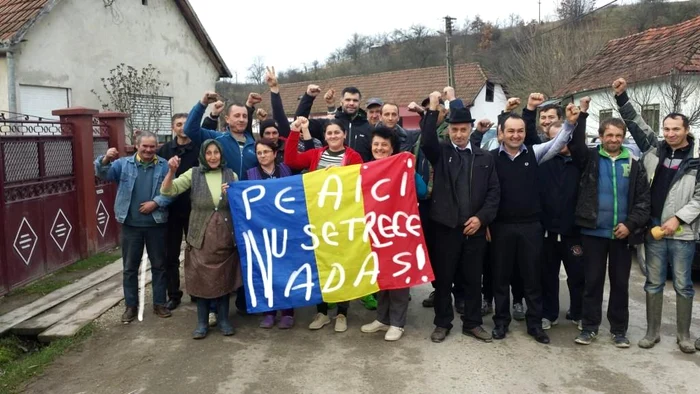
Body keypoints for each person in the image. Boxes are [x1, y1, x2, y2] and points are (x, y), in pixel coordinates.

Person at [613, 78, 699, 353]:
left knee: (684, 285)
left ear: (687, 130)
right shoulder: (654, 149)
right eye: (667, 129)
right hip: (654, 231)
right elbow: (636, 122)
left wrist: (679, 219)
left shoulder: (697, 159)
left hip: (682, 233)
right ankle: (652, 332)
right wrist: (622, 97)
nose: (670, 133)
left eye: (676, 129)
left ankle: (684, 335)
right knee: (653, 282)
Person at [486, 96, 580, 344]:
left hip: (530, 227)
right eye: (511, 131)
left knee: (532, 278)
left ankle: (535, 324)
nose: (516, 135)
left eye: (520, 131)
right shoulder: (491, 158)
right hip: (501, 226)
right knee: (500, 278)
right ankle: (501, 323)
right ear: (502, 134)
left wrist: (569, 125)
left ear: (525, 133)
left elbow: (558, 141)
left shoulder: (536, 154)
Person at [419, 91, 500, 343]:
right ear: (449, 130)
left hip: (473, 228)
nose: (459, 134)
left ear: (470, 129)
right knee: (443, 280)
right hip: (446, 228)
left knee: (473, 280)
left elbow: (493, 192)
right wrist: (433, 109)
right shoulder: (441, 153)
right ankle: (442, 323)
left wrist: (481, 219)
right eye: (454, 130)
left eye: (463, 130)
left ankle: (473, 323)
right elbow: (427, 140)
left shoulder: (484, 157)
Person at [572, 108, 651, 348]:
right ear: (601, 136)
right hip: (593, 232)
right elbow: (575, 145)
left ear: (624, 137)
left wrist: (630, 224)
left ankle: (618, 330)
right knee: (592, 282)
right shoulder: (590, 159)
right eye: (609, 135)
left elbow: (643, 201)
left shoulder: (634, 164)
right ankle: (589, 327)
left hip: (622, 235)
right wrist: (582, 116)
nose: (614, 139)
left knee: (620, 284)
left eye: (618, 135)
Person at [284, 116, 363, 332]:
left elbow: (358, 183)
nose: (333, 136)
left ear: (344, 135)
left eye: (337, 132)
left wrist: (337, 175)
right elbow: (290, 159)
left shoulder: (353, 156)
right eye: (329, 133)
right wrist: (294, 131)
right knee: (321, 264)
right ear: (324, 137)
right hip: (317, 217)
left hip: (342, 219)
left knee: (342, 264)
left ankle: (341, 313)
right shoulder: (316, 154)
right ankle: (322, 312)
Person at [185, 91, 260, 315]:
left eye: (244, 116)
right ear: (227, 119)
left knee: (245, 255)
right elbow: (190, 130)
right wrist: (201, 104)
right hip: (222, 211)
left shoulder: (253, 145)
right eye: (236, 116)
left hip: (248, 209)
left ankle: (244, 303)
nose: (241, 120)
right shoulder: (217, 139)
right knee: (217, 258)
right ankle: (212, 309)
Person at [160, 139, 241, 339]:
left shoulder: (232, 175)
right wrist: (171, 172)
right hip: (200, 236)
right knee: (201, 279)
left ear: (221, 155)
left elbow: (240, 204)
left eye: (216, 153)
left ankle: (223, 320)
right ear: (203, 155)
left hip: (225, 236)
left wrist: (232, 195)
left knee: (223, 278)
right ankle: (202, 323)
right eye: (209, 153)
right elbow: (167, 191)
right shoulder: (193, 174)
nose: (213, 157)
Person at [94, 131, 173, 323]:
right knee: (130, 268)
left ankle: (160, 304)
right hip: (131, 225)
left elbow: (172, 190)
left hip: (156, 223)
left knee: (159, 266)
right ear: (137, 146)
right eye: (144, 146)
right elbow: (102, 173)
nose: (148, 150)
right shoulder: (123, 164)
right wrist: (105, 159)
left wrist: (156, 202)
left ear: (157, 147)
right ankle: (131, 306)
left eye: (152, 146)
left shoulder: (164, 166)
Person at [359, 126, 427, 341]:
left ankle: (398, 323)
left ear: (392, 148)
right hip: (374, 232)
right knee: (380, 276)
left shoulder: (401, 168)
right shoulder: (364, 169)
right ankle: (382, 319)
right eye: (376, 144)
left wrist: (411, 171)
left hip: (398, 231)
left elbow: (423, 191)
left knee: (399, 275)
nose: (379, 148)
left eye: (384, 145)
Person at [537, 98, 590, 331]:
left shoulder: (580, 163)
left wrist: (582, 116)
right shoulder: (542, 163)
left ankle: (578, 312)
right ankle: (549, 313)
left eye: (565, 139)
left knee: (577, 275)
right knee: (547, 275)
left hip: (573, 231)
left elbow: (580, 141)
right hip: (548, 230)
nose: (561, 144)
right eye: (555, 140)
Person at [242, 139, 297, 329]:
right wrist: (230, 190)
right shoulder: (250, 174)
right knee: (266, 271)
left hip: (284, 230)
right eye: (259, 153)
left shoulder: (287, 171)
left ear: (275, 153)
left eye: (266, 152)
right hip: (261, 230)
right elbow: (243, 198)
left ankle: (288, 312)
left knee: (285, 270)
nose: (263, 155)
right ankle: (269, 311)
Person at [157, 113, 196, 311]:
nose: (182, 127)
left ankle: (198, 291)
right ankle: (173, 294)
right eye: (178, 124)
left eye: (185, 124)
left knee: (196, 252)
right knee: (169, 255)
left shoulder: (199, 148)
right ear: (173, 128)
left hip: (194, 208)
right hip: (170, 210)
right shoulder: (163, 150)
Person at [294, 84, 372, 161]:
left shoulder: (368, 128)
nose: (351, 103)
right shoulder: (328, 124)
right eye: (348, 100)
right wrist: (309, 97)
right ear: (341, 101)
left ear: (359, 103)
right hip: (330, 172)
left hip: (358, 173)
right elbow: (299, 122)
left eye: (355, 100)